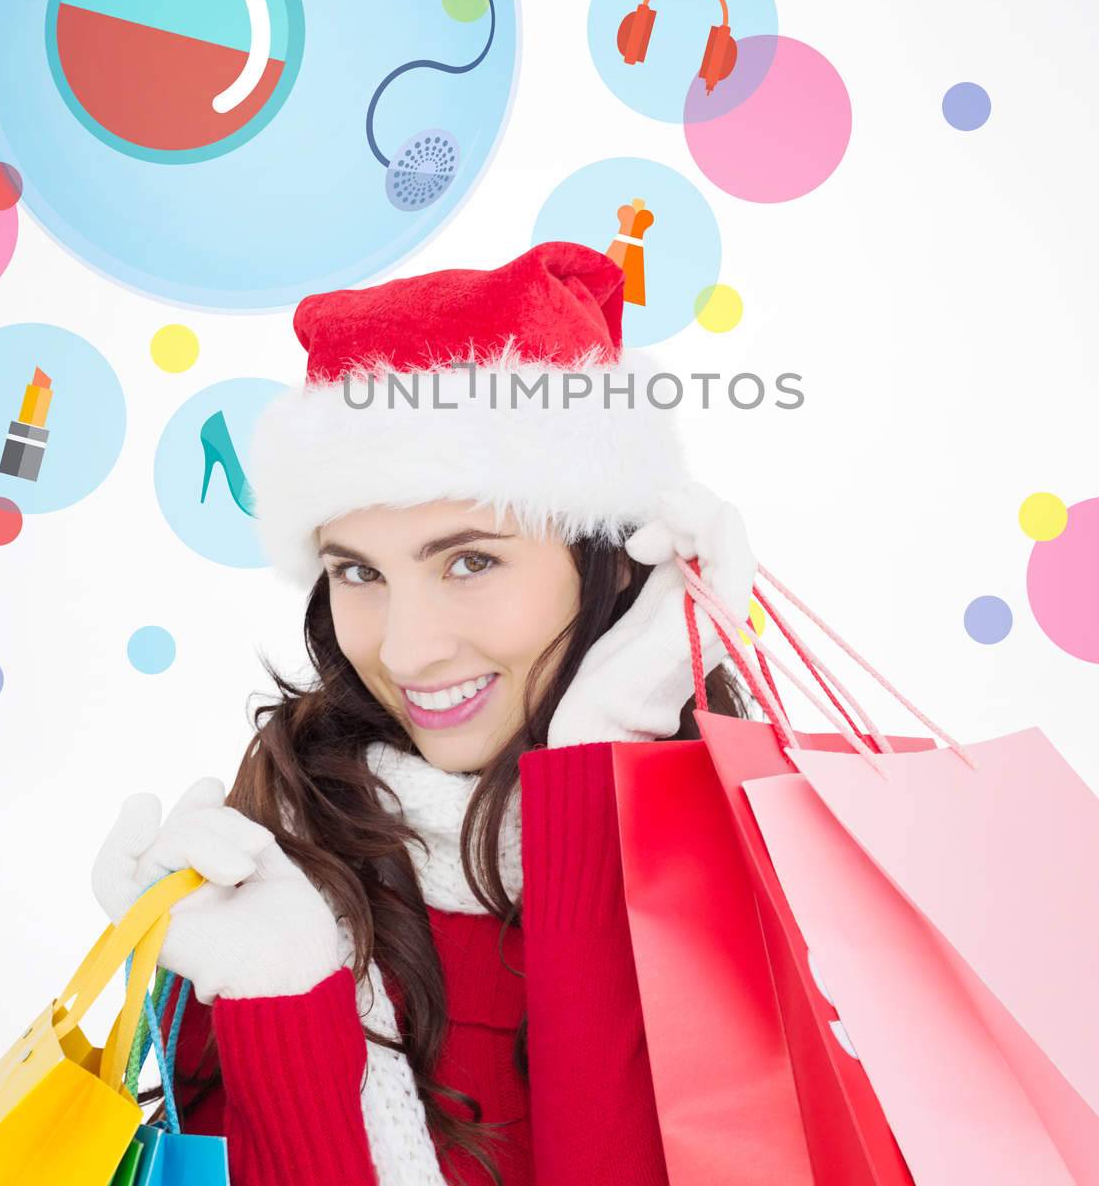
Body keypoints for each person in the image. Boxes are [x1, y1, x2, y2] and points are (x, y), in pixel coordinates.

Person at [90, 242, 763, 1185]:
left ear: (607, 561)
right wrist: (281, 1002)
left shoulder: (762, 861)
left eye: (470, 561)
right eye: (359, 571)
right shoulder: (273, 876)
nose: (406, 652)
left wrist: (604, 761)